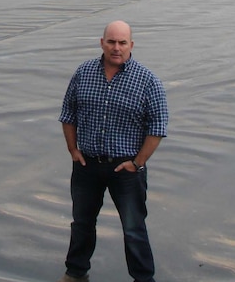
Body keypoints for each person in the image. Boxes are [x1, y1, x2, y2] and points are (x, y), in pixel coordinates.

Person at [57, 20, 169, 282]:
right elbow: (68, 113)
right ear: (102, 43)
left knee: (133, 228)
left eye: (122, 42)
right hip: (87, 165)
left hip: (126, 169)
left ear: (131, 45)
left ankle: (143, 278)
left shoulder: (147, 80)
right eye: (111, 42)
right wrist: (73, 149)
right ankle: (75, 272)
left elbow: (157, 126)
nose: (116, 48)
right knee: (82, 223)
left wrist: (138, 162)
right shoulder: (84, 73)